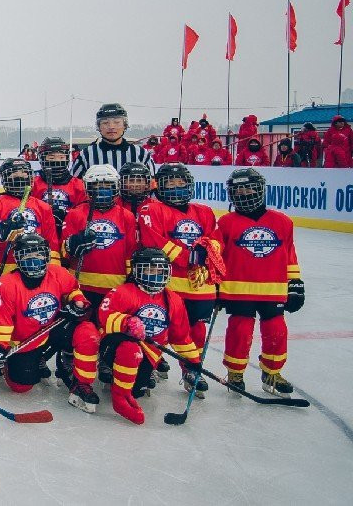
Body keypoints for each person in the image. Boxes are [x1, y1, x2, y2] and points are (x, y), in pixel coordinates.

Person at [0, 233, 100, 413]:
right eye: (27, 255)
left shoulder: (58, 273)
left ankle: (81, 385)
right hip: (26, 339)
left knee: (88, 333)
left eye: (38, 255)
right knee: (21, 387)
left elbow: (73, 291)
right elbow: (2, 321)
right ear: (18, 258)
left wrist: (77, 303)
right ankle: (19, 363)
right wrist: (0, 347)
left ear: (46, 256)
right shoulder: (6, 284)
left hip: (53, 328)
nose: (33, 260)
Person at [215, 168, 303, 395]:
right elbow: (217, 257)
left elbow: (289, 255)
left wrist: (295, 283)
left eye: (248, 188)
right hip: (237, 289)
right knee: (240, 330)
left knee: (276, 330)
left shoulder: (282, 221)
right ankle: (235, 372)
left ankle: (272, 373)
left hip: (273, 290)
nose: (243, 193)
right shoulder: (225, 222)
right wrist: (215, 286)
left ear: (260, 190)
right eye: (238, 189)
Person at [96, 247, 203, 424]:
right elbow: (103, 317)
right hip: (115, 346)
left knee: (138, 390)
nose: (155, 274)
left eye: (159, 270)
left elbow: (180, 337)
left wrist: (193, 362)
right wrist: (126, 322)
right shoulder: (123, 292)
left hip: (149, 353)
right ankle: (119, 397)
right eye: (149, 269)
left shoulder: (173, 300)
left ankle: (129, 382)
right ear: (137, 270)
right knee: (130, 349)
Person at [138, 163, 218, 391]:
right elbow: (154, 240)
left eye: (180, 183)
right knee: (156, 327)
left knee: (197, 331)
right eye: (169, 183)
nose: (175, 188)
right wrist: (188, 256)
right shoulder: (150, 210)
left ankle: (192, 369)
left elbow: (215, 238)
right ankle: (148, 365)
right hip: (167, 284)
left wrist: (209, 248)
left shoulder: (205, 211)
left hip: (201, 286)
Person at [0, 158, 60, 292]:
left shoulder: (43, 207)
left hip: (35, 271)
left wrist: (54, 274)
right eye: (14, 174)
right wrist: (1, 231)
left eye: (23, 173)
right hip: (0, 272)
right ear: (5, 178)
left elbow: (52, 244)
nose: (19, 177)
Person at [62, 165, 137, 309]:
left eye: (107, 185)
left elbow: (130, 251)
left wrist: (130, 279)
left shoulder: (127, 216)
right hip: (81, 285)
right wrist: (72, 245)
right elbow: (64, 252)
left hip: (116, 285)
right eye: (96, 185)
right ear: (87, 187)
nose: (102, 189)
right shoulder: (75, 213)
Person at [70, 103, 153, 178]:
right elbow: (74, 185)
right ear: (99, 127)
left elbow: (153, 184)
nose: (111, 126)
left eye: (117, 122)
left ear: (125, 125)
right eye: (105, 123)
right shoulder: (86, 154)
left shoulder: (142, 154)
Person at [32, 137, 87, 235]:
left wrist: (67, 216)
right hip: (41, 233)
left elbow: (83, 211)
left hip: (69, 232)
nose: (57, 161)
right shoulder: (34, 184)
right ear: (42, 158)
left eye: (61, 157)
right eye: (52, 158)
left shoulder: (78, 185)